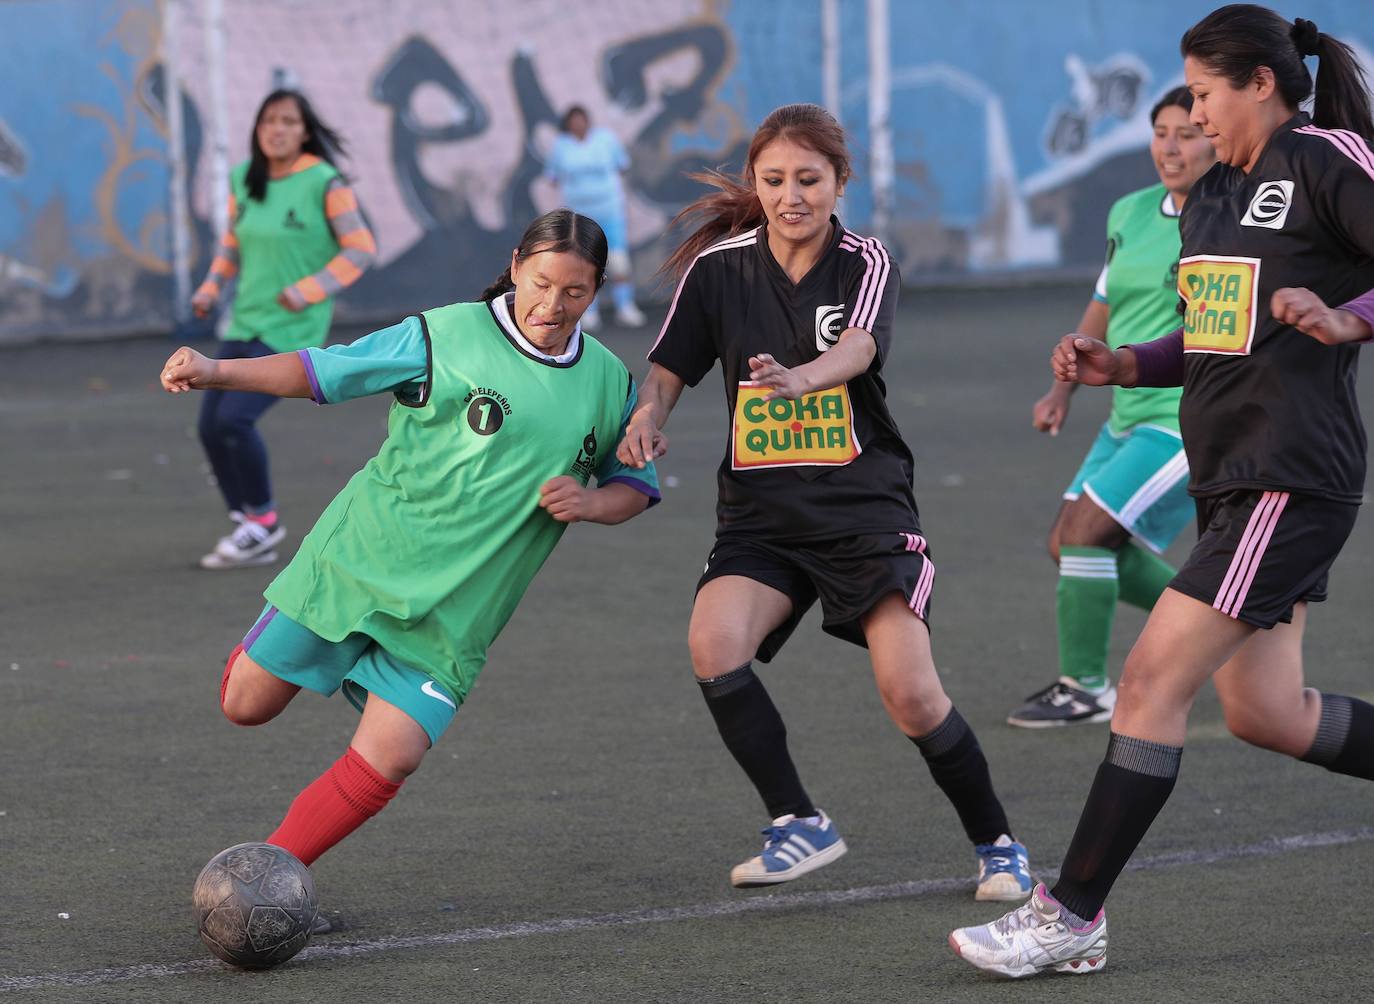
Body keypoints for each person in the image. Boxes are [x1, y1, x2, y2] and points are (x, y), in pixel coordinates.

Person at [952, 5, 1374, 977]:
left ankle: (1071, 914)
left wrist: (1347, 319)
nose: (1191, 115)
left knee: (1146, 683)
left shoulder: (1324, 156)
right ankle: (1075, 915)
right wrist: (1121, 361)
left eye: (1206, 94)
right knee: (1267, 711)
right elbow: (1212, 337)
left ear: (1260, 83)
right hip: (1232, 477)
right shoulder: (1216, 195)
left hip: (1291, 473)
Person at [162, 210, 660, 917]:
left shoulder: (609, 381)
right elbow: (324, 371)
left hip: (455, 617)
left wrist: (591, 503)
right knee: (246, 705)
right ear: (516, 264)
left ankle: (264, 890)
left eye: (575, 293)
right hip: (359, 564)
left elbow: (635, 489)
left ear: (599, 290)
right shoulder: (446, 334)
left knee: (392, 756)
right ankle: (264, 644)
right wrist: (217, 371)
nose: (553, 306)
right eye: (542, 283)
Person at [617, 103, 1033, 901]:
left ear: (842, 182)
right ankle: (796, 821)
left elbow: (861, 346)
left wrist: (801, 376)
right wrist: (647, 419)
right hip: (762, 515)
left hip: (861, 510)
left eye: (808, 179)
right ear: (755, 183)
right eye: (773, 180)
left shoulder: (866, 261)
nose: (790, 196)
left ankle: (999, 845)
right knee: (714, 644)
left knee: (911, 694)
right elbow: (670, 367)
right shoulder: (720, 271)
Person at [1008, 88, 1216, 729]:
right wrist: (1062, 385)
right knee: (1067, 546)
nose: (1171, 146)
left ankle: (1087, 688)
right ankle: (1225, 626)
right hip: (1125, 413)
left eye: (1187, 132)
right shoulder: (1128, 211)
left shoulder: (1224, 219)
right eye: (1160, 132)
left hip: (1183, 417)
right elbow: (1103, 303)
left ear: (1215, 136)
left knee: (1085, 536)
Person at [190, 89, 377, 569]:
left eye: (289, 121)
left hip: (293, 326)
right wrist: (211, 290)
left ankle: (264, 523)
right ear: (257, 129)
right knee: (210, 425)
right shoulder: (243, 180)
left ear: (305, 131)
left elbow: (359, 248)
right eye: (269, 121)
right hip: (246, 317)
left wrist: (310, 289)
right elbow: (231, 245)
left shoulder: (324, 182)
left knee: (235, 418)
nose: (277, 129)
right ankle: (249, 521)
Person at [543, 105, 646, 331]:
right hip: (579, 220)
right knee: (583, 264)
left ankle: (625, 307)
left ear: (588, 120)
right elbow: (552, 177)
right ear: (568, 123)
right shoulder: (560, 147)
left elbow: (622, 166)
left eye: (582, 119)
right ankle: (588, 311)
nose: (578, 124)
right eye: (573, 120)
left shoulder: (606, 139)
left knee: (618, 262)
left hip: (610, 213)